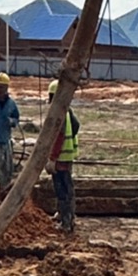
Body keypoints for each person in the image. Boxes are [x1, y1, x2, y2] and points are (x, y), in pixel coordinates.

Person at [47, 79, 80, 232]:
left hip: (61, 158)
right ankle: (65, 215)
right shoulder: (68, 111)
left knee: (63, 190)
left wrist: (52, 159)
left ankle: (66, 222)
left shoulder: (59, 113)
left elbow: (58, 137)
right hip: (67, 156)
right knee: (67, 188)